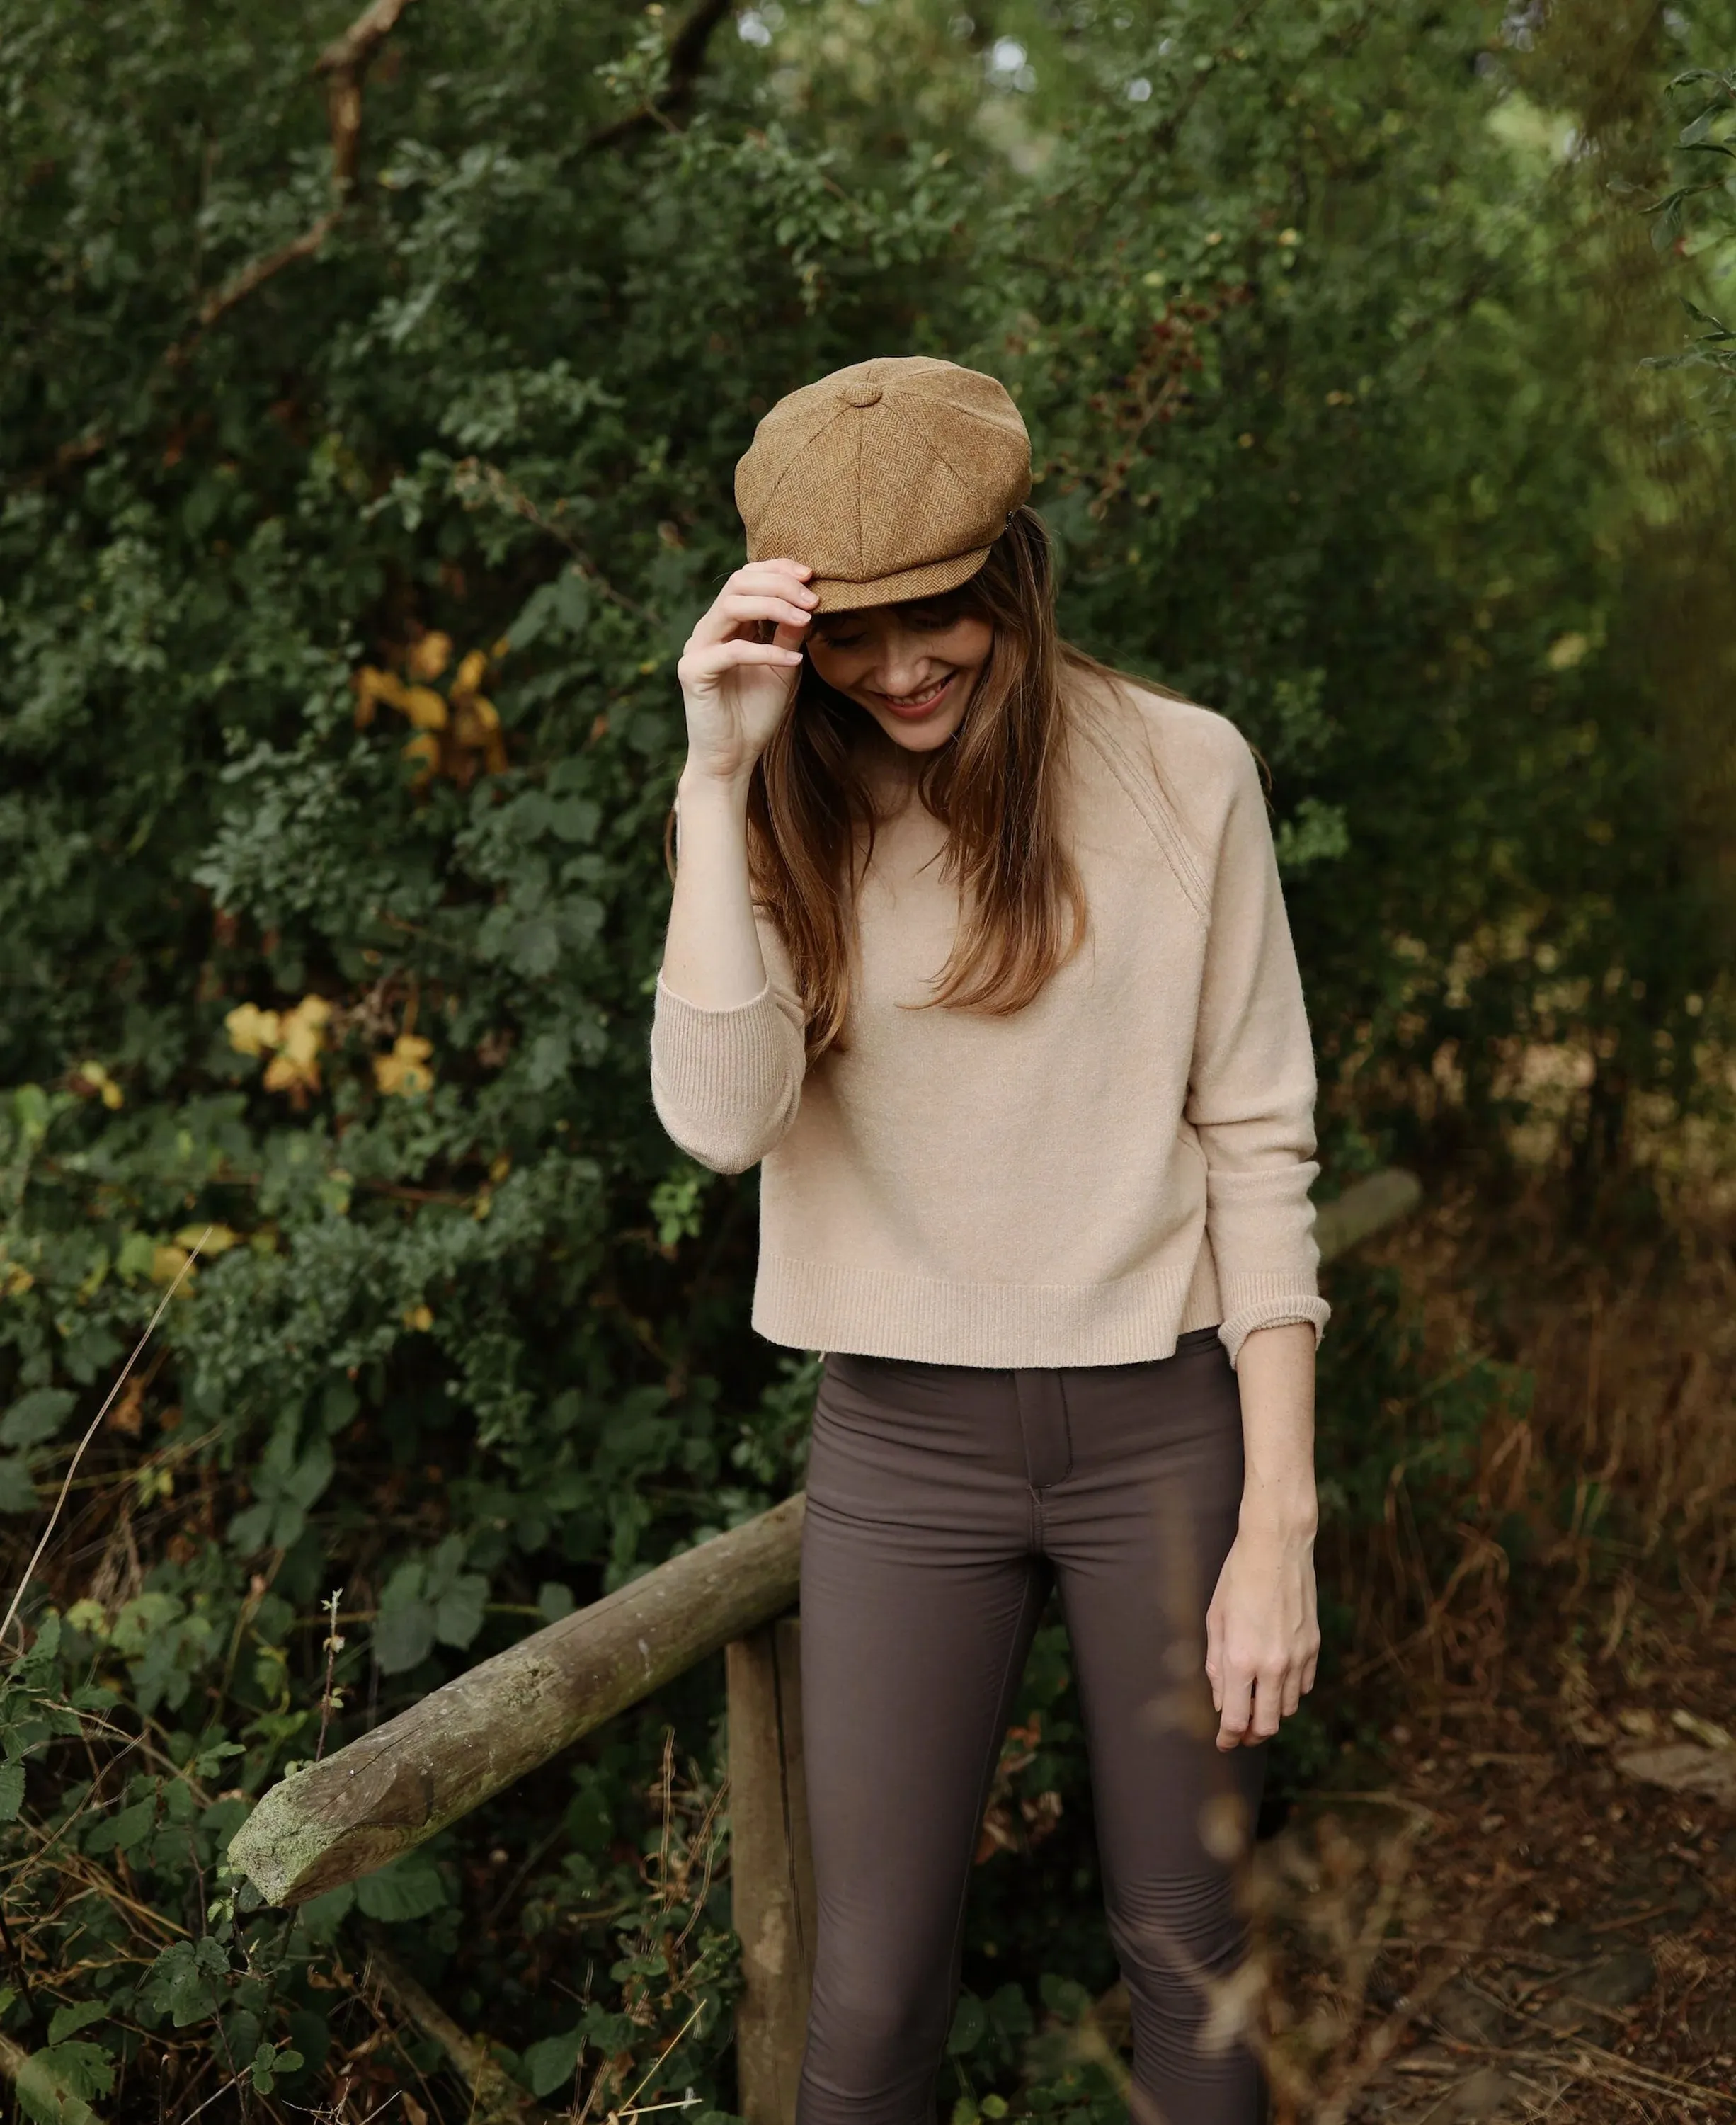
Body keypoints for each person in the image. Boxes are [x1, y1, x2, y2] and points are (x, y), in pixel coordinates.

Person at [650, 356, 1327, 2125]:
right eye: (847, 640)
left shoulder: (1187, 774)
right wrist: (711, 783)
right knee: (868, 1993)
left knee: (1188, 1948)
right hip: (900, 1443)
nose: (894, 671)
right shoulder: (790, 801)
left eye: (932, 619)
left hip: (1163, 1436)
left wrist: (1278, 1521)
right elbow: (720, 1122)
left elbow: (1257, 1146)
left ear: (1012, 572)